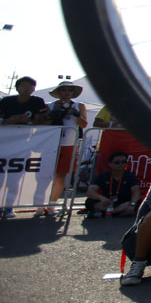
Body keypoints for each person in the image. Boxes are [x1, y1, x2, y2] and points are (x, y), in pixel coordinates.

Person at [45, 81, 88, 214]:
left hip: (69, 144)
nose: (67, 92)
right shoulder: (50, 106)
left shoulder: (79, 105)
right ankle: (41, 203)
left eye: (70, 90)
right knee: (44, 175)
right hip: (50, 144)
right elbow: (43, 122)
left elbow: (84, 124)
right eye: (64, 90)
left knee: (61, 175)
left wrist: (74, 113)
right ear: (59, 92)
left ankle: (52, 203)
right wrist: (56, 112)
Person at [85, 151, 140, 217]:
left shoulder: (130, 176)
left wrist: (132, 205)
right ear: (110, 164)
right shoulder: (103, 176)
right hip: (107, 201)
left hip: (123, 201)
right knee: (89, 202)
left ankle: (108, 212)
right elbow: (90, 192)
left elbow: (136, 190)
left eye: (124, 162)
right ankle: (118, 213)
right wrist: (101, 198)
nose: (121, 164)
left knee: (137, 202)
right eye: (117, 162)